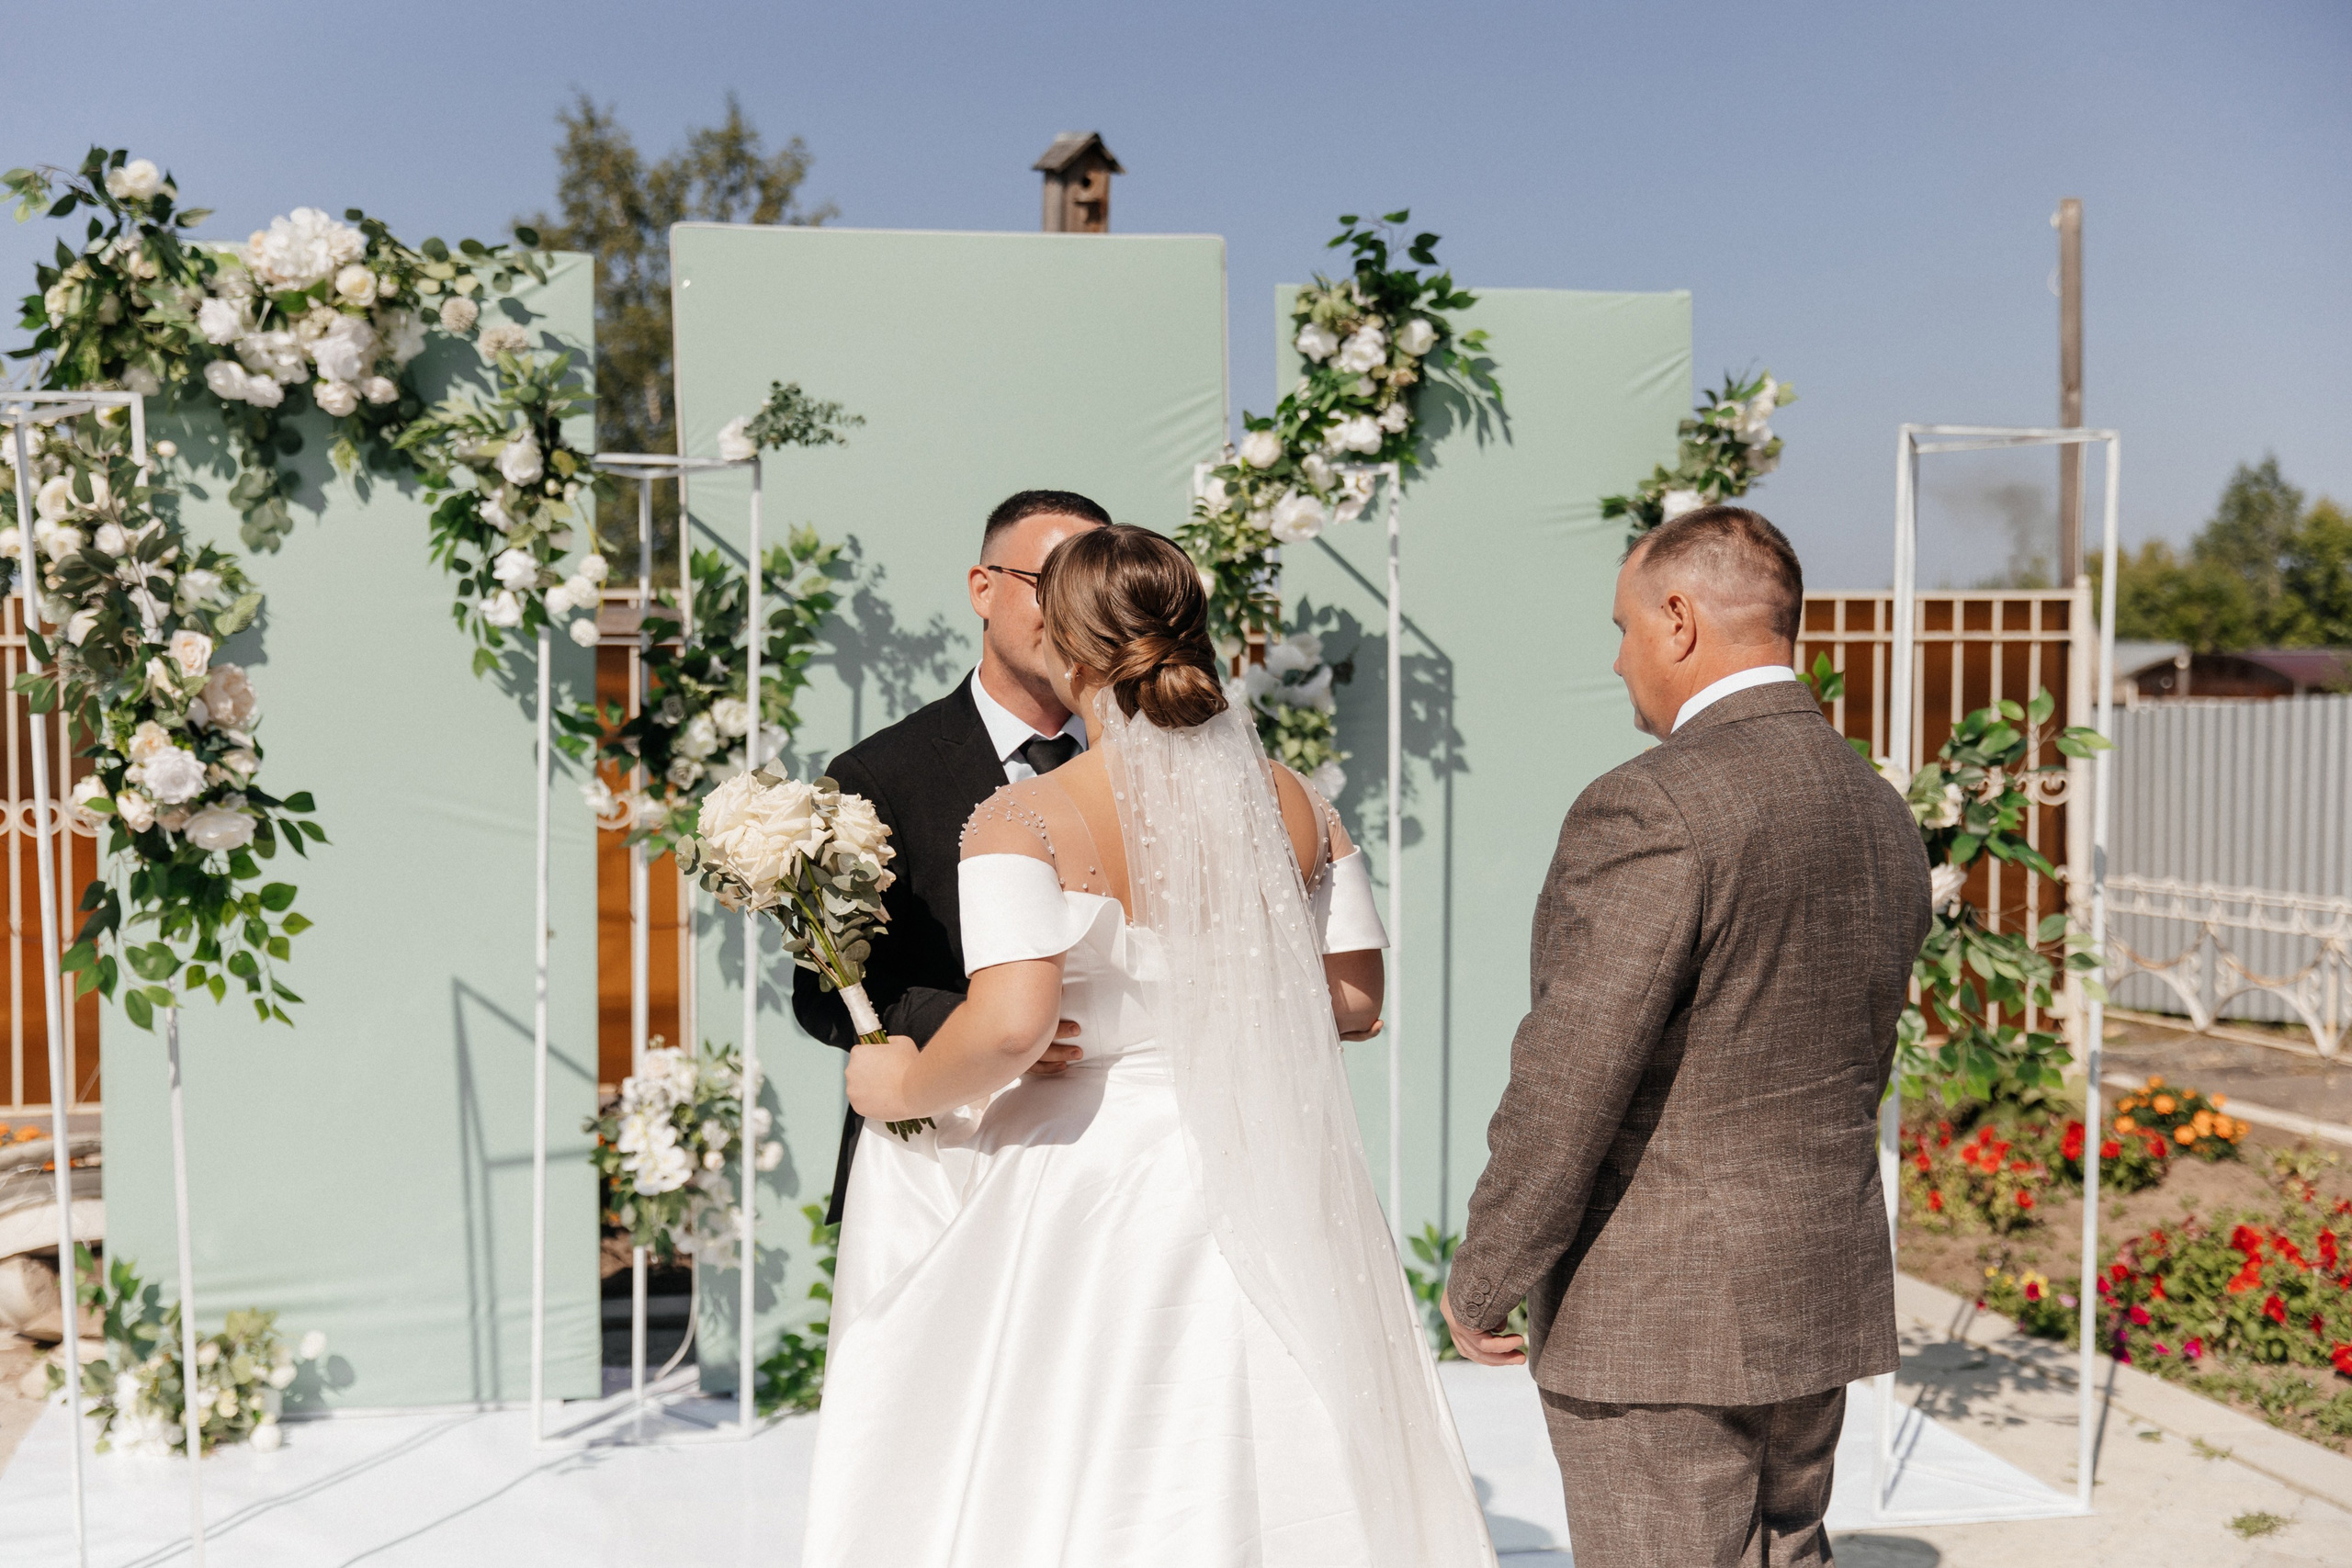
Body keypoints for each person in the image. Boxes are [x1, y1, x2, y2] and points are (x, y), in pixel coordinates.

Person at [802, 525, 1495, 1566]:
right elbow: (1354, 998)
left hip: (1096, 1176)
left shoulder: (1024, 819)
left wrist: (896, 1076)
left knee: (1080, 1453)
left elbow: (1010, 1025)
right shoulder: (1296, 801)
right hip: (1266, 1157)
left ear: (1068, 651)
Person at [1442, 506, 1931, 1568]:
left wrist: (1481, 1274)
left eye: (1621, 627)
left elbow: (1571, 1076)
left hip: (1660, 1310)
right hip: (1815, 1279)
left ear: (1677, 618)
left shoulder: (1651, 806)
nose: (1617, 661)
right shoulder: (1876, 809)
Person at [792, 490, 1108, 1225]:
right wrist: (982, 1026)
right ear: (983, 587)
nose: (1070, 614)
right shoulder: (880, 773)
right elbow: (826, 991)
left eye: (1089, 589)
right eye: (1048, 585)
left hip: (1119, 1161)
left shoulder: (1152, 767)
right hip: (948, 1159)